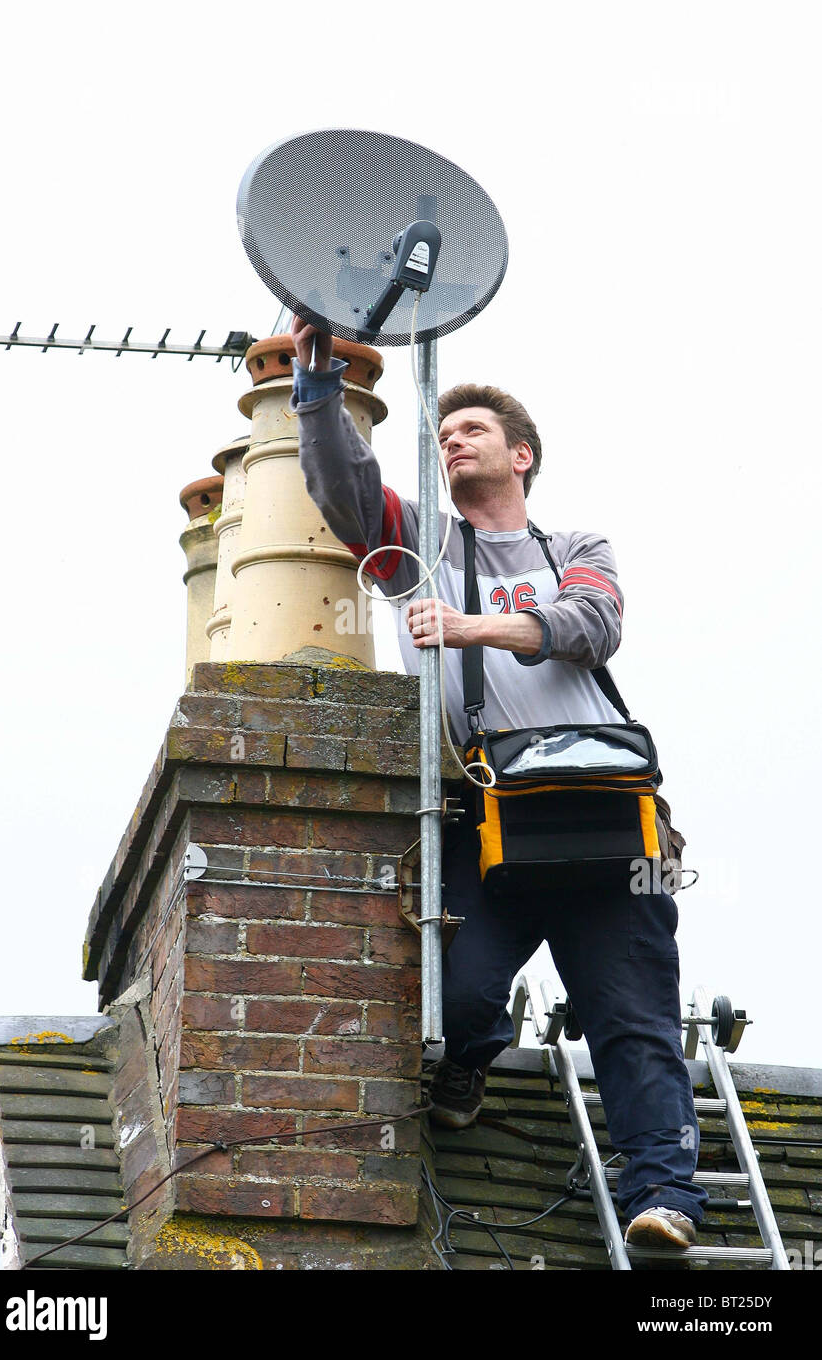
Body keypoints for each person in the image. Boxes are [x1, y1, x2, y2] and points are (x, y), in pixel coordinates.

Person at [290, 316, 707, 1251]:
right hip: (484, 817)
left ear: (521, 456)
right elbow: (345, 489)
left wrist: (468, 628)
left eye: (473, 428)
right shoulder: (423, 547)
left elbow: (589, 626)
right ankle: (467, 1065)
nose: (452, 438)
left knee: (635, 1018)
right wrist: (316, 387)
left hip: (609, 822)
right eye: (443, 434)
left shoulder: (578, 546)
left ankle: (666, 1196)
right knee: (461, 993)